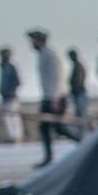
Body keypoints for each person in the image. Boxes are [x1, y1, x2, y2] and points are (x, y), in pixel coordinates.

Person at [27, 28, 77, 168]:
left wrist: (55, 98)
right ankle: (48, 157)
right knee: (45, 128)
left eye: (34, 41)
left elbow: (57, 77)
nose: (32, 44)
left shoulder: (51, 54)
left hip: (54, 98)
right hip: (48, 97)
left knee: (60, 128)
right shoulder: (43, 55)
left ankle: (83, 142)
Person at [0, 47, 22, 143]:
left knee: (14, 117)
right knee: (7, 118)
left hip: (11, 97)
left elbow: (17, 81)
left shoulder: (11, 68)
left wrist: (12, 91)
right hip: (5, 97)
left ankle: (16, 137)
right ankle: (11, 136)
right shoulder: (3, 68)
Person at [67, 48, 89, 122]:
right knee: (79, 115)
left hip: (80, 93)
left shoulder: (78, 66)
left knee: (82, 115)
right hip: (77, 94)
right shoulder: (76, 66)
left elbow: (78, 80)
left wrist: (74, 90)